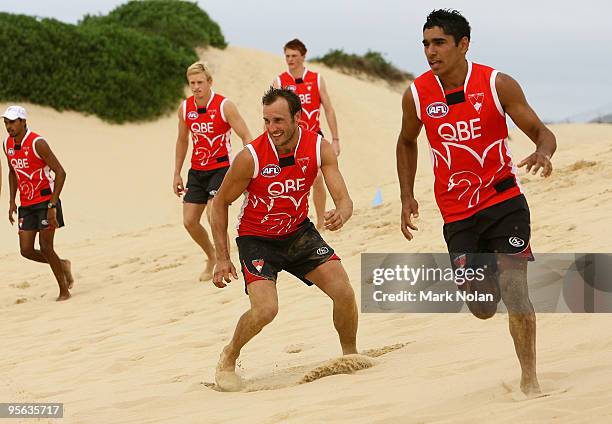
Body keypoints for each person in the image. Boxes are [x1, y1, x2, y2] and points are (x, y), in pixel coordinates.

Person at [396, 9, 556, 395]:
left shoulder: (497, 83)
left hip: (504, 203)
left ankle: (530, 380)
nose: (430, 52)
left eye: (439, 43)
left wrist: (543, 152)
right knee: (483, 307)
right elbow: (406, 141)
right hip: (458, 214)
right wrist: (405, 196)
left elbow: (540, 131)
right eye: (425, 44)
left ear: (463, 44)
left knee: (516, 288)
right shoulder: (417, 94)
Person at [210, 87, 357, 391]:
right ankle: (229, 355)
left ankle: (350, 355)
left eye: (278, 120)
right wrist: (222, 257)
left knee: (343, 291)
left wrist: (342, 211)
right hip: (257, 238)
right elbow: (220, 203)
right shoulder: (250, 157)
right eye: (266, 121)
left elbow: (343, 198)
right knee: (266, 310)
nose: (272, 128)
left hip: (298, 232)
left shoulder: (319, 148)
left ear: (298, 118)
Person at [173, 62, 253, 282]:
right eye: (192, 83)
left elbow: (246, 136)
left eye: (200, 82)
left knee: (213, 214)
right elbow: (182, 140)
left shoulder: (224, 105)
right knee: (189, 221)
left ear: (209, 82)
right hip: (197, 170)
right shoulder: (185, 108)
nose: (196, 87)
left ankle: (223, 260)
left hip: (221, 168)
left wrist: (251, 164)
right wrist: (177, 172)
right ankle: (211, 256)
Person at [3, 105, 74, 301]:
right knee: (25, 250)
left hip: (45, 201)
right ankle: (63, 264)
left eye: (12, 122)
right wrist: (11, 201)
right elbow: (12, 172)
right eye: (6, 122)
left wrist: (52, 205)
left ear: (23, 121)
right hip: (26, 203)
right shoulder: (6, 144)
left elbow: (61, 173)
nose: (9, 126)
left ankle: (64, 290)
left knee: (45, 246)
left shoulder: (37, 143)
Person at [273, 39, 340, 230]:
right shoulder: (280, 81)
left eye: (294, 56)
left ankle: (319, 221)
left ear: (303, 56)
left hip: (313, 137)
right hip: (288, 140)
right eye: (287, 56)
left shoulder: (316, 79)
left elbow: (328, 109)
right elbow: (271, 114)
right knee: (289, 180)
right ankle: (291, 220)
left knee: (317, 177)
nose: (290, 59)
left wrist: (335, 139)